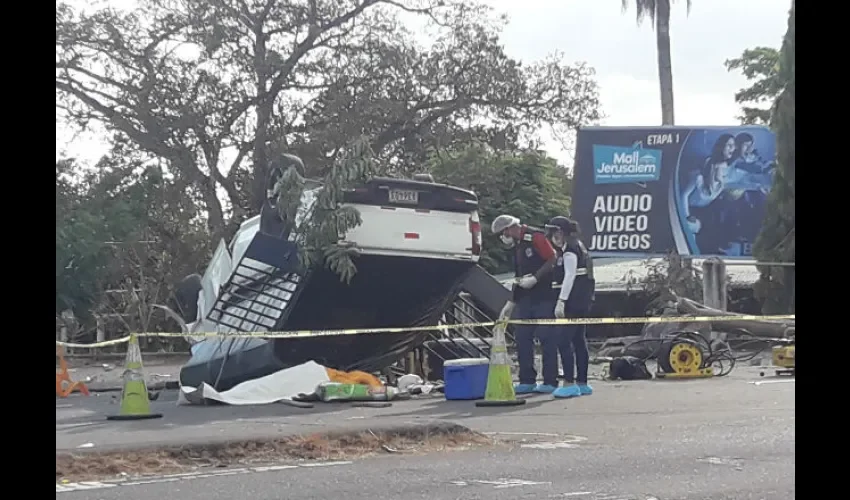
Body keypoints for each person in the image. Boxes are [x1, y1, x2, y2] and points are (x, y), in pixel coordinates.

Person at [490, 214, 560, 394]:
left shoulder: (535, 236)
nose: (502, 238)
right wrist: (511, 302)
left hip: (544, 296)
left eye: (502, 234)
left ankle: (550, 381)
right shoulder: (518, 246)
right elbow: (519, 275)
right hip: (525, 298)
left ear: (509, 229)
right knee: (522, 338)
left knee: (546, 338)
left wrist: (536, 278)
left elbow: (552, 258)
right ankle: (527, 380)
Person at [545, 216, 595, 399]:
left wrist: (561, 301)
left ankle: (569, 382)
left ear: (560, 232)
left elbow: (569, 276)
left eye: (553, 232)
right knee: (579, 340)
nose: (551, 236)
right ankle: (582, 382)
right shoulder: (578, 245)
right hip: (583, 300)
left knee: (564, 340)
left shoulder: (570, 250)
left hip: (573, 302)